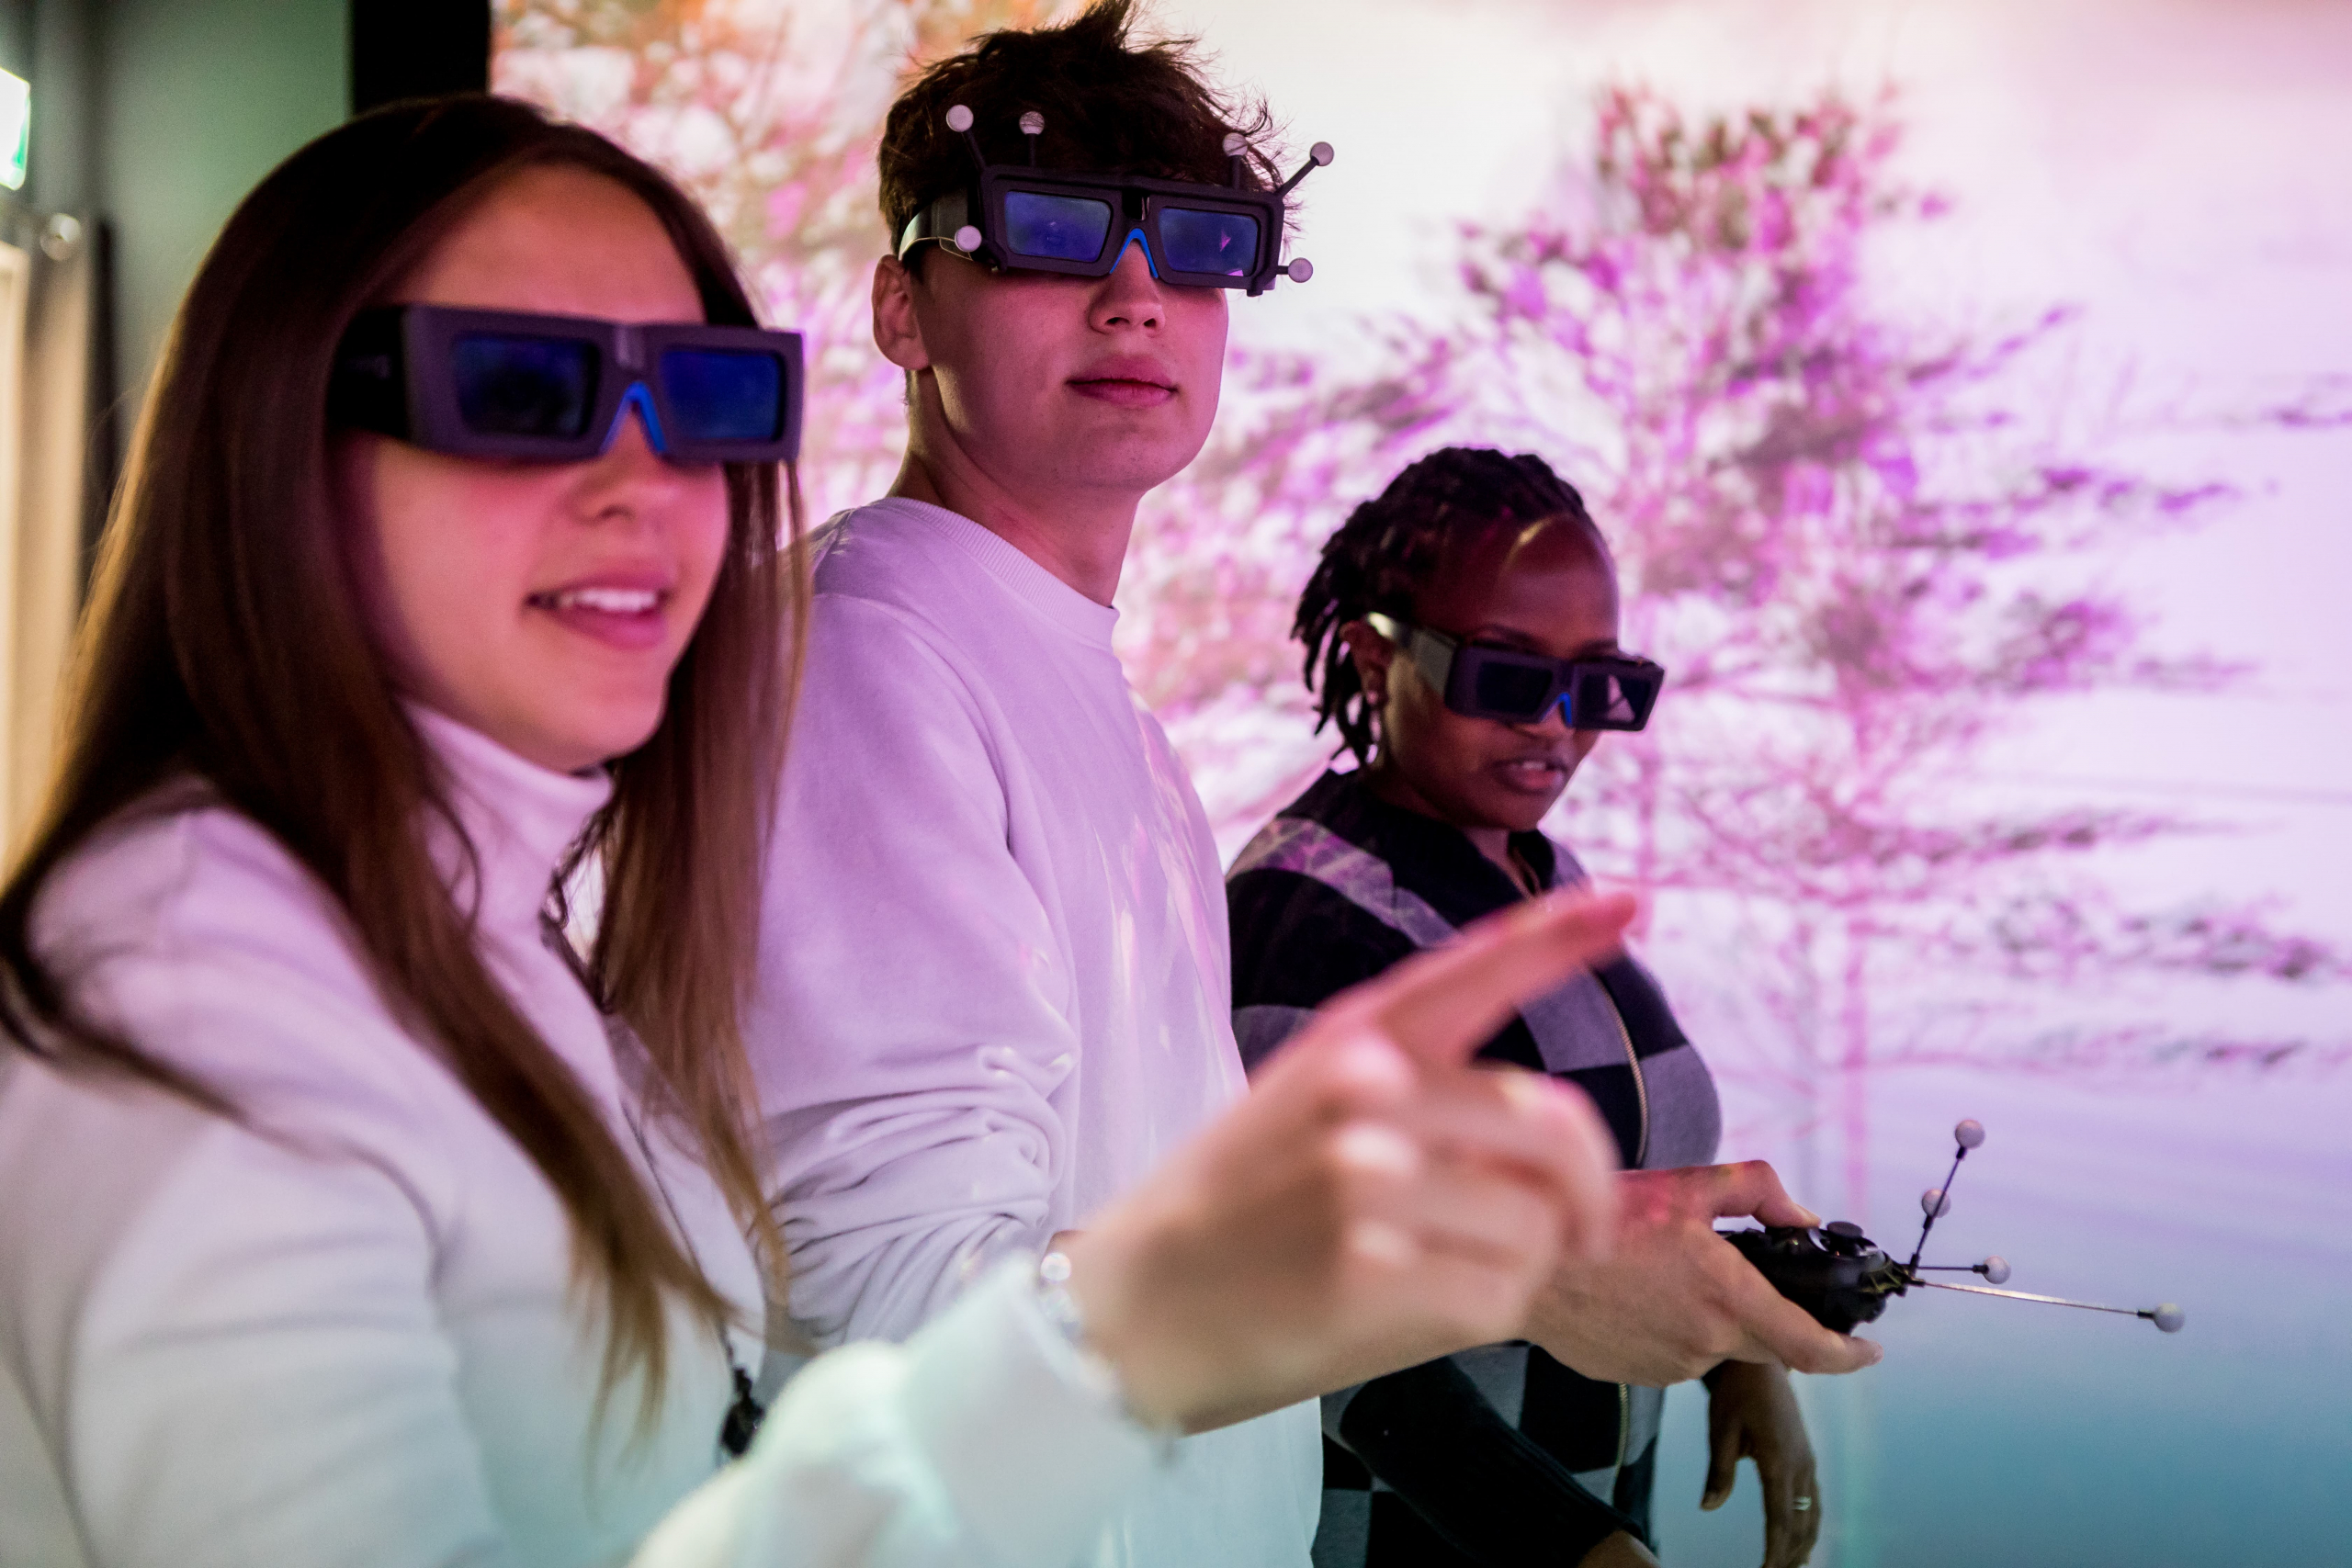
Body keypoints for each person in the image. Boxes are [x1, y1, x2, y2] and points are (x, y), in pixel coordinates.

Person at [0, 97, 1640, 1568]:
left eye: (706, 397)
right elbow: (882, 1294)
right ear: (278, 432)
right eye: (515, 388)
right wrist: (1269, 1295)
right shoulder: (199, 976)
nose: (641, 477)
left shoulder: (466, 928)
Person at [744, 8, 1875, 1568]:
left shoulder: (1083, 699)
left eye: (1198, 246)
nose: (1136, 296)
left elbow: (1174, 1223)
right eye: (1054, 231)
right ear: (903, 307)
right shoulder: (871, 661)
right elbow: (899, 1304)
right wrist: (1521, 1274)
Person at [1227, 448, 1826, 1568]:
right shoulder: (1310, 918)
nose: (1557, 726)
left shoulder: (1537, 873)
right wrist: (1576, 1546)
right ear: (1370, 653)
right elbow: (1314, 1321)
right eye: (1506, 678)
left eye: (1599, 685)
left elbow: (1629, 1193)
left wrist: (1748, 1353)